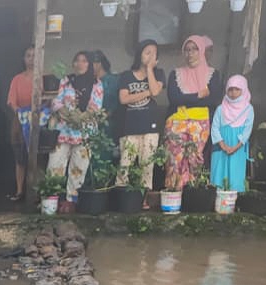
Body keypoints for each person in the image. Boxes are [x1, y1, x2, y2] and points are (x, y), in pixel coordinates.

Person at [165, 34, 222, 190]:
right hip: (177, 121)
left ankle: (190, 194)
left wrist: (186, 99)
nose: (190, 54)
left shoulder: (212, 74)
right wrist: (198, 95)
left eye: (194, 49)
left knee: (194, 159)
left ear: (202, 51)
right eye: (187, 50)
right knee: (174, 159)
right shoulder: (175, 74)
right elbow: (174, 98)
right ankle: (173, 194)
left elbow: (212, 99)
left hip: (200, 122)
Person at [47, 52, 104, 207]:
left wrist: (81, 117)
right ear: (73, 64)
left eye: (84, 61)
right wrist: (69, 115)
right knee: (55, 165)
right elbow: (56, 102)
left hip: (84, 132)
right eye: (77, 60)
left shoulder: (97, 83)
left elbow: (96, 106)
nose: (80, 64)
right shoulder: (66, 81)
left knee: (78, 168)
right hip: (64, 130)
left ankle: (71, 202)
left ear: (90, 64)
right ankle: (52, 200)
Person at [116, 40, 165, 193]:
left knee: (147, 164)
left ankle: (144, 197)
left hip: (150, 125)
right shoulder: (126, 76)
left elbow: (156, 91)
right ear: (139, 55)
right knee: (125, 162)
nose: (151, 56)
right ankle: (122, 193)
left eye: (154, 53)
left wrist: (150, 69)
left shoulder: (159, 73)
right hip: (130, 125)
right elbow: (124, 99)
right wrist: (147, 93)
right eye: (147, 52)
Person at [211, 75, 253, 193]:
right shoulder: (220, 109)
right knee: (219, 175)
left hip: (238, 148)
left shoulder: (248, 109)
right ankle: (218, 205)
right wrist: (224, 146)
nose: (233, 93)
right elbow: (214, 128)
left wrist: (235, 147)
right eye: (230, 89)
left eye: (237, 89)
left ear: (243, 90)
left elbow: (247, 131)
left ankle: (235, 206)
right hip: (221, 147)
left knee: (235, 176)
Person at [6, 46, 36, 202]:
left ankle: (36, 190)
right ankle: (19, 191)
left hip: (39, 122)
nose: (31, 59)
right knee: (20, 158)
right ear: (23, 59)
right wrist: (22, 113)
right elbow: (11, 101)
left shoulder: (44, 78)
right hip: (20, 122)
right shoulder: (17, 79)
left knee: (38, 157)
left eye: (34, 55)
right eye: (28, 55)